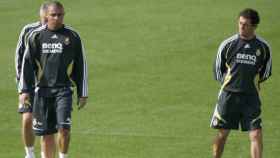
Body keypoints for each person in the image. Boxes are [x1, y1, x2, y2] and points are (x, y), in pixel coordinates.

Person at [18, 1, 88, 158]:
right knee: (46, 134)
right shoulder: (35, 36)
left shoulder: (73, 36)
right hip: (42, 91)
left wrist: (83, 92)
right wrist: (24, 90)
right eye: (53, 15)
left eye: (60, 15)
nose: (57, 18)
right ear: (46, 16)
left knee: (64, 129)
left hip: (64, 90)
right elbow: (27, 65)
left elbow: (81, 64)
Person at [210, 8, 272, 158]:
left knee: (256, 134)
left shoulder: (263, 47)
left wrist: (251, 85)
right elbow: (217, 69)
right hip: (229, 96)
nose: (241, 27)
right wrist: (229, 85)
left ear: (254, 26)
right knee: (223, 134)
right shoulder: (228, 44)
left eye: (245, 24)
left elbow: (265, 72)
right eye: (240, 23)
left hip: (250, 98)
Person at [15, 2, 50, 158]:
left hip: (49, 86)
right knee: (27, 118)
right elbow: (19, 56)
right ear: (40, 16)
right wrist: (21, 86)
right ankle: (29, 154)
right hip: (28, 84)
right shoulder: (28, 30)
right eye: (44, 19)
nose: (46, 23)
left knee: (46, 125)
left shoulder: (60, 33)